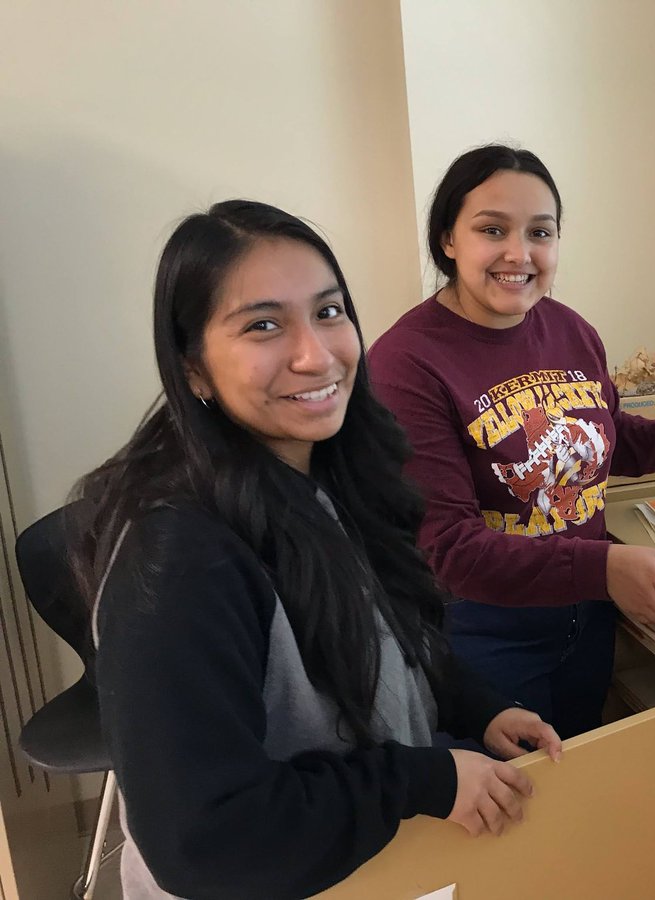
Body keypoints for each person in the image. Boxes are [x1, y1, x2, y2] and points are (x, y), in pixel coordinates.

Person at [68, 200, 561, 900]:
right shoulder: (180, 554)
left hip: (376, 863)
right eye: (263, 325)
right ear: (194, 368)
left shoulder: (322, 468)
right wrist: (424, 779)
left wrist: (475, 707)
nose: (316, 353)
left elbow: (383, 636)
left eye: (329, 313)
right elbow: (206, 840)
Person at [368, 145, 655, 740]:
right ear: (448, 239)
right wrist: (606, 566)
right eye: (491, 229)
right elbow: (448, 548)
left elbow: (598, 438)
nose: (519, 253)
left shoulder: (570, 329)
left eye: (540, 232)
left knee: (579, 774)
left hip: (585, 617)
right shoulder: (405, 363)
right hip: (484, 636)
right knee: (518, 810)